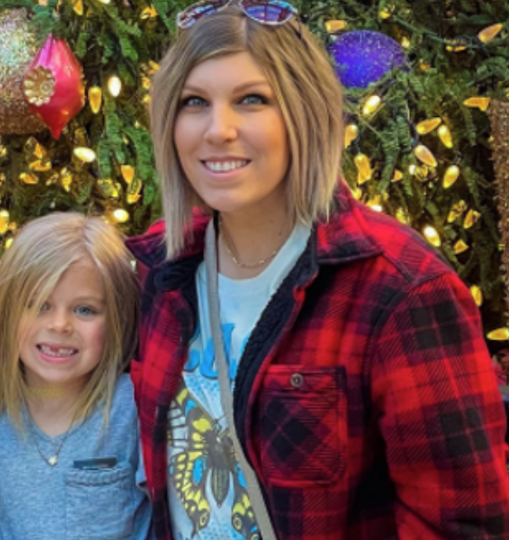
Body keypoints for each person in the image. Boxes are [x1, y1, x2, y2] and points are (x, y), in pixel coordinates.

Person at [125, 1, 509, 539]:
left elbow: (463, 524)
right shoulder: (162, 269)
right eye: (194, 102)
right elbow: (58, 291)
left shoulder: (399, 291)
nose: (218, 130)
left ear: (304, 112)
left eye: (252, 99)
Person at [0, 213, 151, 540]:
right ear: (8, 314)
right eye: (39, 305)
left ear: (117, 320)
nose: (60, 325)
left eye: (85, 309)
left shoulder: (132, 408)